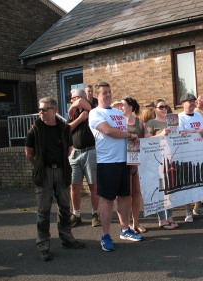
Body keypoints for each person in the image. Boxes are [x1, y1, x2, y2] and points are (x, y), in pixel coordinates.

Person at [25, 97, 85, 261]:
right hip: (44, 174)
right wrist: (40, 166)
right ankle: (43, 245)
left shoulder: (64, 129)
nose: (41, 112)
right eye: (40, 109)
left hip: (61, 171)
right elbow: (29, 154)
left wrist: (58, 165)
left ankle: (66, 238)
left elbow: (69, 149)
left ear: (53, 110)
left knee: (64, 208)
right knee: (43, 212)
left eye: (44, 109)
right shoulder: (35, 129)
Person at [89, 82, 143, 252]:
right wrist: (129, 134)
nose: (108, 94)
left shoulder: (117, 114)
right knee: (108, 200)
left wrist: (132, 159)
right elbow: (109, 131)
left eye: (109, 92)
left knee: (123, 197)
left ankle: (125, 229)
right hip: (107, 162)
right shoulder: (95, 113)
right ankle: (105, 236)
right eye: (104, 92)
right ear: (97, 96)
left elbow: (123, 133)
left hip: (123, 161)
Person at [144, 98, 179, 229]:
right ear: (154, 109)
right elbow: (146, 139)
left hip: (170, 158)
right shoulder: (151, 123)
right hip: (156, 160)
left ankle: (169, 217)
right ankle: (162, 219)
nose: (164, 109)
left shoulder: (172, 121)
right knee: (160, 190)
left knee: (169, 190)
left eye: (165, 106)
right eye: (161, 107)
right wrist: (161, 133)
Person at [67, 89, 100, 227]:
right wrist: (79, 118)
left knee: (93, 185)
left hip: (90, 152)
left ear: (80, 97)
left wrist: (74, 105)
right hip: (75, 154)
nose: (71, 101)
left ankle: (95, 213)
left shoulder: (92, 110)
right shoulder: (74, 114)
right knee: (74, 185)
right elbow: (66, 129)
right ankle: (76, 214)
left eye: (72, 98)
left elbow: (81, 102)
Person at [113, 97, 146, 234]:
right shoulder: (117, 121)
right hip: (122, 161)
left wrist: (138, 162)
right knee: (125, 195)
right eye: (119, 105)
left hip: (136, 161)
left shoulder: (139, 122)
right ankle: (126, 226)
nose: (121, 107)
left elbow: (143, 142)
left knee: (136, 193)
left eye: (123, 105)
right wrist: (114, 106)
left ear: (131, 107)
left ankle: (136, 223)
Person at [179, 93, 203, 222]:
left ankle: (197, 207)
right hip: (186, 154)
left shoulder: (199, 116)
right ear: (183, 104)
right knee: (188, 182)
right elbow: (180, 134)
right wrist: (195, 131)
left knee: (199, 181)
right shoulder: (179, 117)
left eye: (193, 101)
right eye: (189, 101)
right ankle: (188, 209)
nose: (192, 103)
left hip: (199, 152)